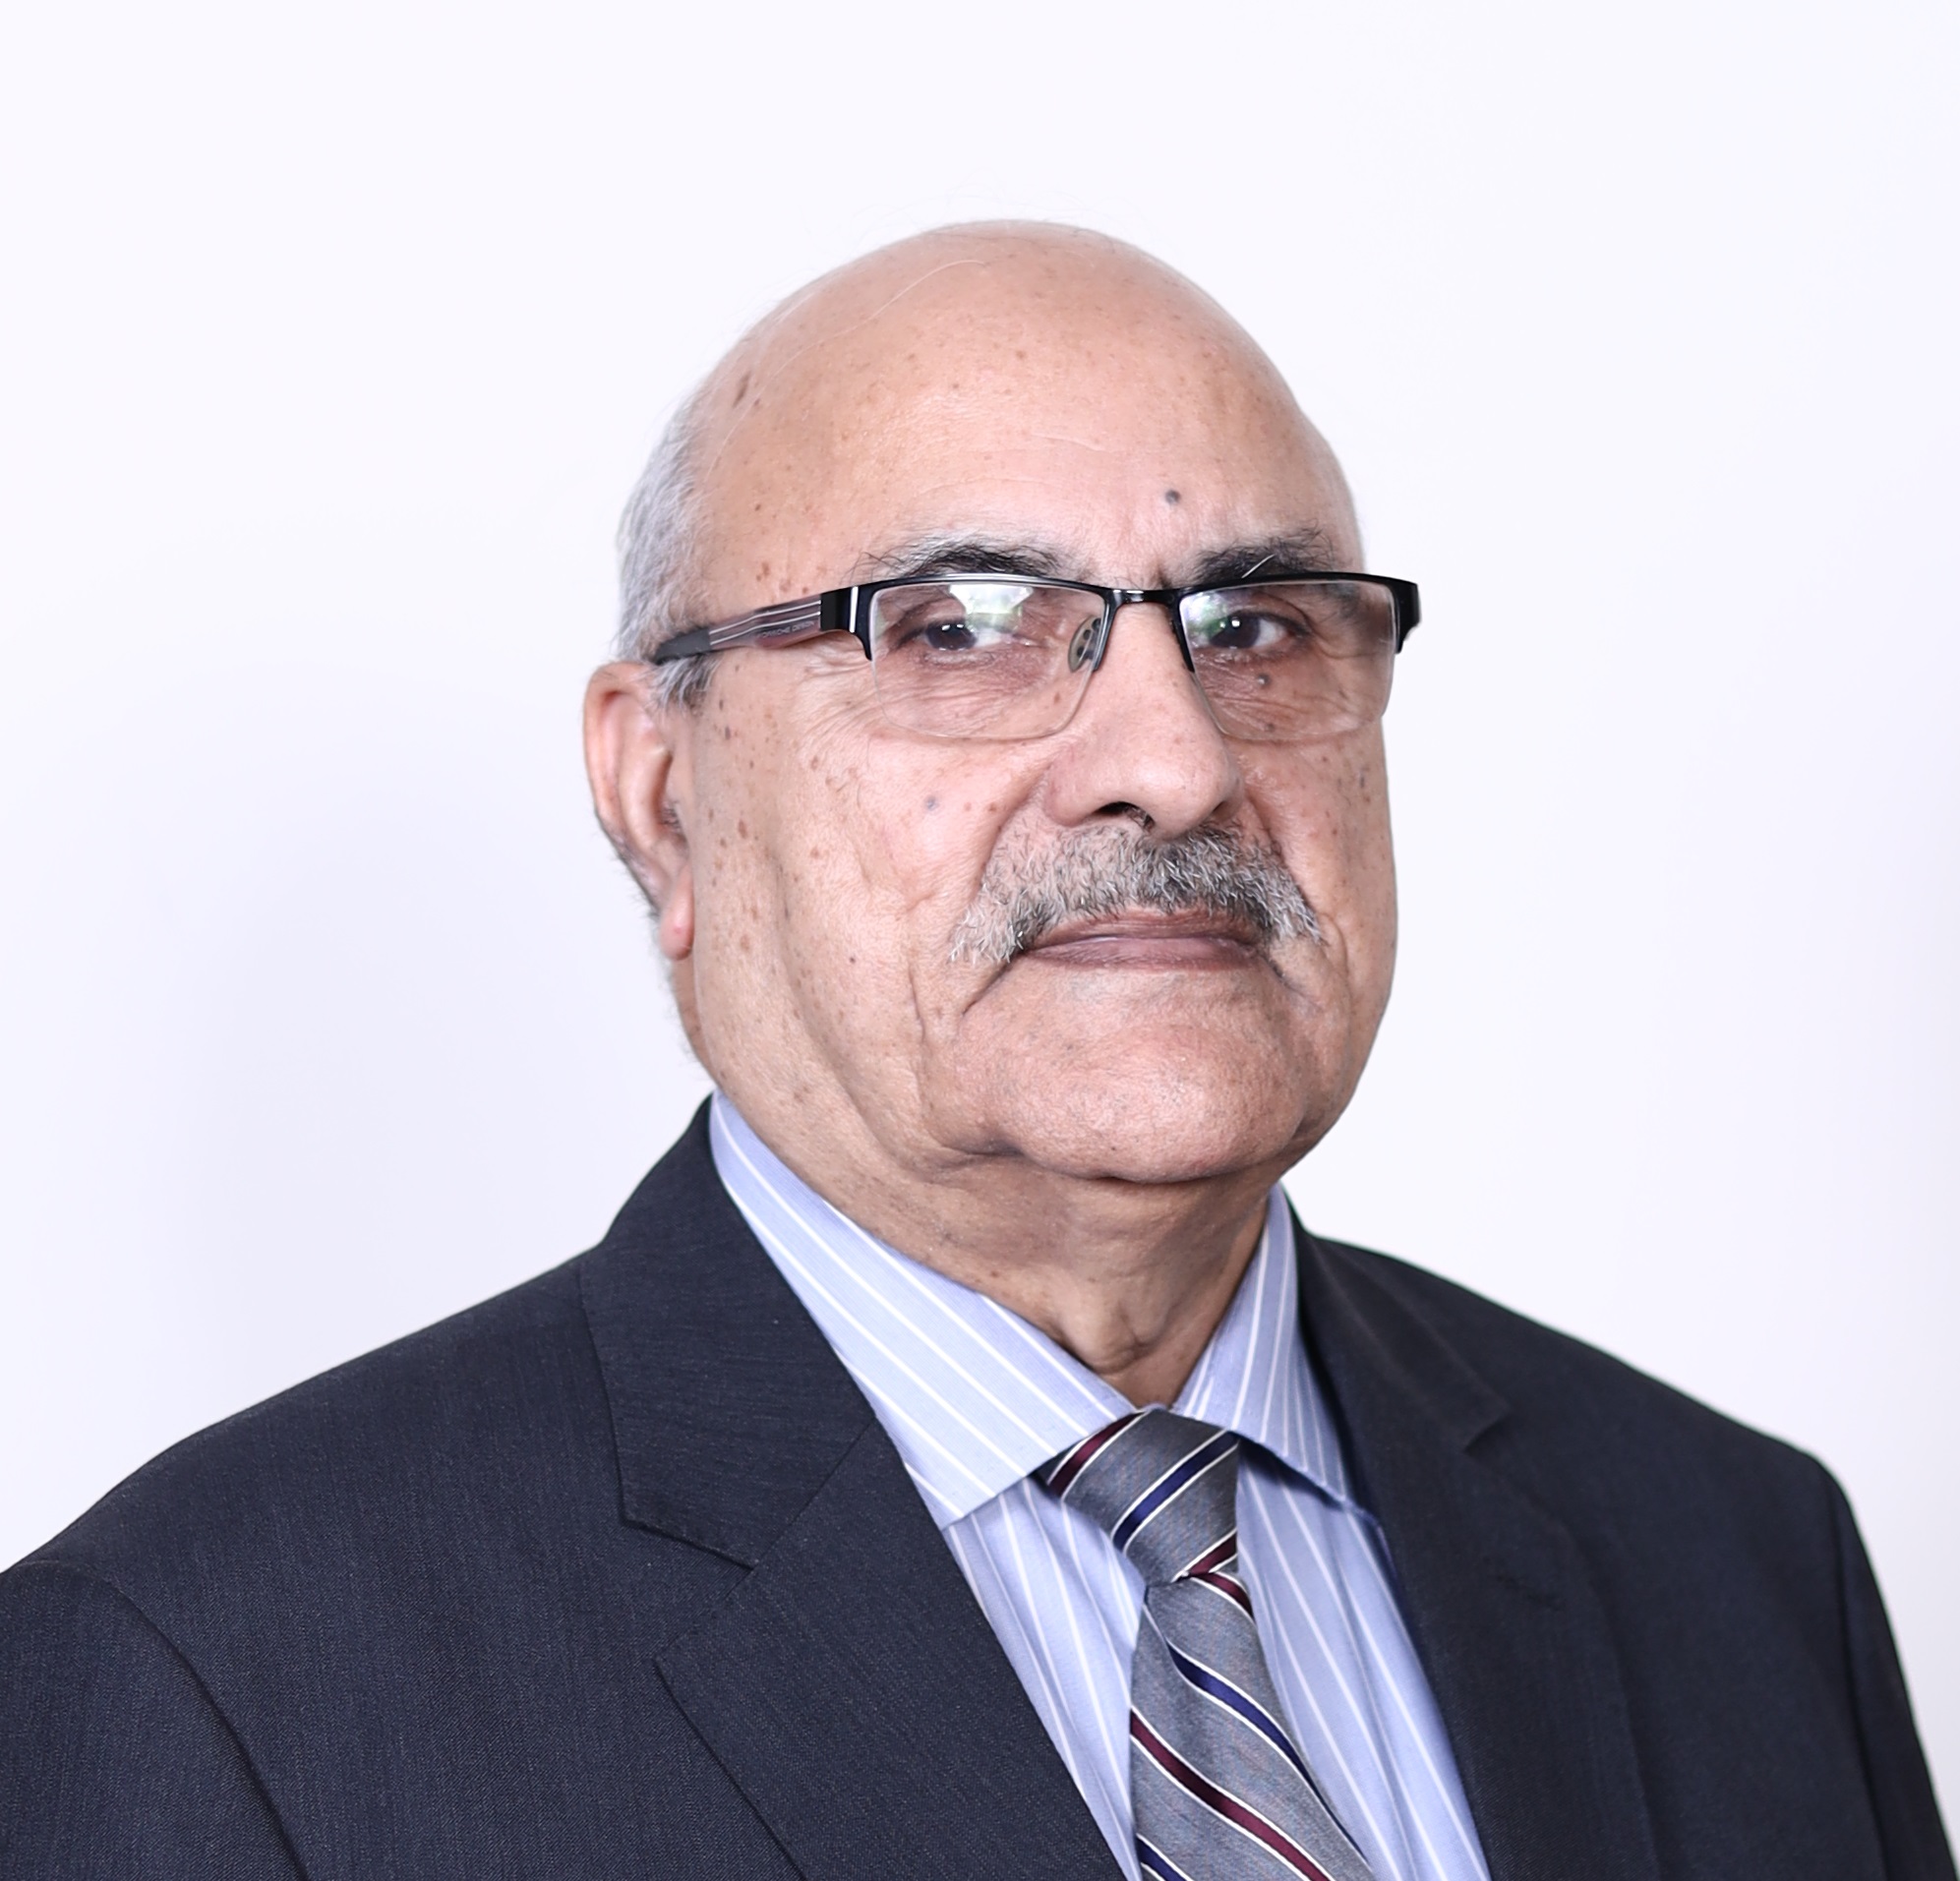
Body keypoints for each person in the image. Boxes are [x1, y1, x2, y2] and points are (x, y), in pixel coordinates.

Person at [0, 223, 1949, 1881]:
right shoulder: (206, 1681)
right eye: (959, 629)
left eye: (1257, 627)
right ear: (662, 798)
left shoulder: (1733, 1559)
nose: (1173, 759)